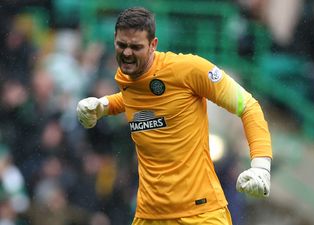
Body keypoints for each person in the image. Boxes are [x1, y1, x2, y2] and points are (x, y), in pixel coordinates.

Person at [76, 7, 272, 225]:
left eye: (136, 47)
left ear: (153, 45)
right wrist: (103, 106)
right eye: (121, 45)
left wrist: (261, 166)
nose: (127, 53)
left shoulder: (188, 70)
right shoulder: (128, 76)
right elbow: (137, 100)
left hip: (199, 214)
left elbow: (247, 105)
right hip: (149, 216)